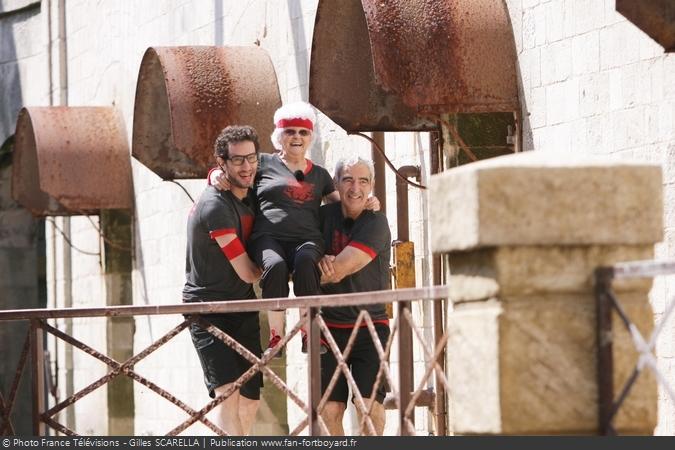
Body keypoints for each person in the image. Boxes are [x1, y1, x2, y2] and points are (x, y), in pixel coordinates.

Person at [183, 125, 263, 436]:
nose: (247, 167)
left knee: (251, 398)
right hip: (207, 309)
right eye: (238, 161)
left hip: (242, 306)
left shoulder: (251, 187)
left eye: (251, 158)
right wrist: (279, 266)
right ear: (222, 163)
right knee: (227, 393)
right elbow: (247, 271)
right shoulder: (215, 206)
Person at [317, 156, 392, 436]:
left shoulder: (376, 223)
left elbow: (338, 270)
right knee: (329, 411)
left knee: (369, 409)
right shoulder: (321, 218)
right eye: (348, 179)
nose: (355, 187)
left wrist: (312, 269)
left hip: (370, 326)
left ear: (371, 186)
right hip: (326, 329)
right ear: (336, 183)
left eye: (363, 181)